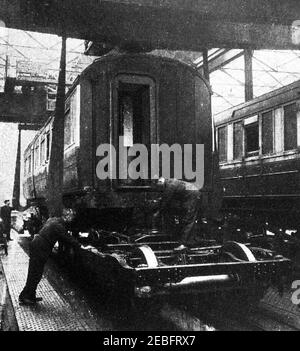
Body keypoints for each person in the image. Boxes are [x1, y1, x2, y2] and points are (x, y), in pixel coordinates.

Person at [19, 208, 84, 306]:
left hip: (37, 244)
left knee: (35, 272)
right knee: (35, 273)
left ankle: (30, 295)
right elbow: (66, 237)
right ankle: (25, 297)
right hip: (40, 247)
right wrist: (80, 246)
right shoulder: (58, 225)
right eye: (71, 218)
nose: (72, 220)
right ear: (67, 217)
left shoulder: (53, 220)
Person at [154, 177, 201, 245]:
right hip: (189, 196)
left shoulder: (170, 185)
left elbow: (166, 200)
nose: (160, 189)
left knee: (188, 220)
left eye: (159, 187)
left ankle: (184, 244)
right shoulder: (169, 182)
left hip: (192, 196)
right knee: (185, 219)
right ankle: (188, 240)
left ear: (160, 181)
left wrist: (158, 212)